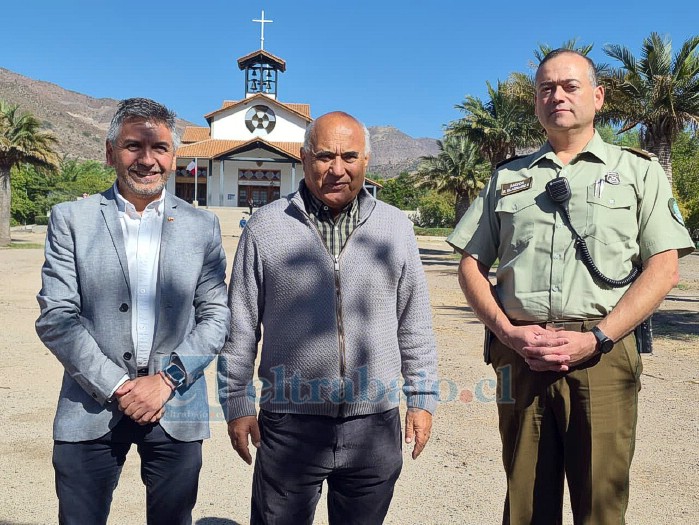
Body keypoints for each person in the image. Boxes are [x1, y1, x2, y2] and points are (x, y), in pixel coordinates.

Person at [448, 49, 695, 524]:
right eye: (546, 88)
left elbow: (664, 268)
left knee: (600, 505)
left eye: (569, 86)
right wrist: (507, 333)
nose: (557, 96)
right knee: (526, 505)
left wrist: (598, 337)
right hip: (521, 354)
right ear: (536, 102)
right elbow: (470, 265)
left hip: (603, 354)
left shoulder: (639, 172)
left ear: (598, 97)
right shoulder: (508, 177)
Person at [218, 111, 439, 525]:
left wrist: (422, 398)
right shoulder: (265, 227)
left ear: (366, 161)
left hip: (374, 424)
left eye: (349, 156)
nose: (337, 169)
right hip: (290, 423)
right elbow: (240, 326)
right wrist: (236, 402)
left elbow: (414, 322)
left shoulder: (395, 227)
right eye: (324, 156)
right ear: (304, 158)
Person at [35, 98, 230, 525]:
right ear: (110, 153)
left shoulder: (202, 227)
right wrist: (120, 386)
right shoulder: (71, 220)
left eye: (159, 147)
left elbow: (216, 316)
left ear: (173, 156)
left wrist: (167, 380)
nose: (147, 160)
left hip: (175, 402)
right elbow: (56, 316)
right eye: (132, 146)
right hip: (91, 402)